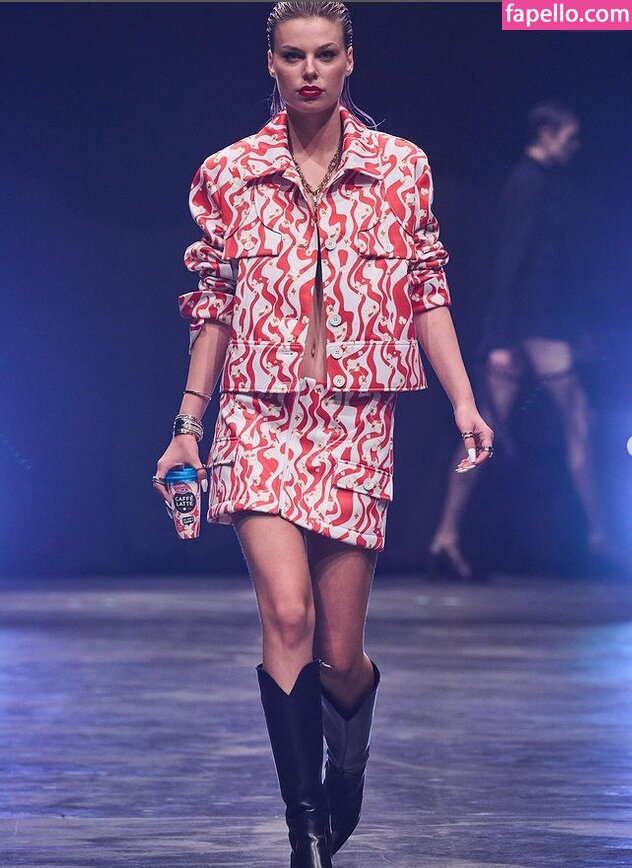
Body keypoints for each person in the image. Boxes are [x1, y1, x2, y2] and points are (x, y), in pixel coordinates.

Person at [153, 3, 493, 865]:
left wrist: (464, 401)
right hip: (259, 414)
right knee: (289, 613)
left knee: (341, 656)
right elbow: (214, 306)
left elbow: (427, 292)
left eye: (325, 54)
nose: (310, 70)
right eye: (294, 55)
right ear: (270, 64)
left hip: (355, 420)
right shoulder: (229, 173)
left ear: (349, 61)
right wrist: (189, 424)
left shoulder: (400, 168)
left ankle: (349, 762)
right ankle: (305, 830)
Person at [427, 101, 619, 582]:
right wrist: (501, 335)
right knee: (574, 420)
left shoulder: (547, 184)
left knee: (489, 430)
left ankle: (446, 538)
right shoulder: (527, 184)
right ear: (547, 133)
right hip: (532, 325)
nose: (575, 146)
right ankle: (601, 539)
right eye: (570, 137)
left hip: (539, 323)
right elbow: (511, 261)